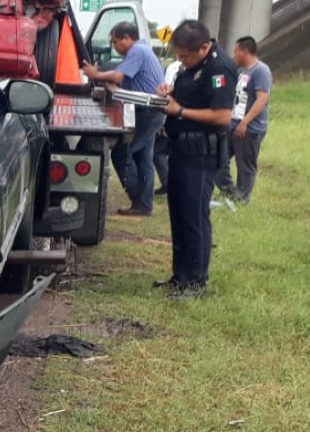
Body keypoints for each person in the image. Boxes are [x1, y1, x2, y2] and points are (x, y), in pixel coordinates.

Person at [156, 20, 237, 300]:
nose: (182, 61)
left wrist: (180, 112)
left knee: (194, 218)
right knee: (178, 214)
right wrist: (170, 96)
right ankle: (181, 276)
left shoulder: (220, 68)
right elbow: (187, 98)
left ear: (204, 47)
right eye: (179, 56)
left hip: (201, 154)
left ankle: (197, 282)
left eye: (186, 56)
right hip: (180, 149)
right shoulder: (191, 68)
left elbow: (222, 116)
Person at [83, 22, 166, 216]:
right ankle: (143, 205)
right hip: (152, 111)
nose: (114, 46)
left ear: (127, 38)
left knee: (122, 153)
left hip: (147, 111)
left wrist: (96, 74)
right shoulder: (142, 51)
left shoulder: (137, 51)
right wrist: (105, 78)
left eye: (115, 42)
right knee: (142, 156)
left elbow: (119, 76)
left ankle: (138, 199)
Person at [214, 36, 272, 204]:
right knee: (219, 158)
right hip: (232, 124)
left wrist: (245, 122)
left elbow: (262, 99)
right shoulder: (240, 71)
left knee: (245, 164)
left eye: (236, 51)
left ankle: (242, 198)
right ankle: (228, 191)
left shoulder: (261, 71)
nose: (234, 55)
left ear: (245, 51)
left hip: (250, 127)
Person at [153, 60, 183, 196]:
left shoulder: (175, 68)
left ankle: (169, 184)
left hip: (175, 118)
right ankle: (169, 184)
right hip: (173, 118)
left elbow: (167, 96)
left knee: (159, 151)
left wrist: (162, 121)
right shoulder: (175, 67)